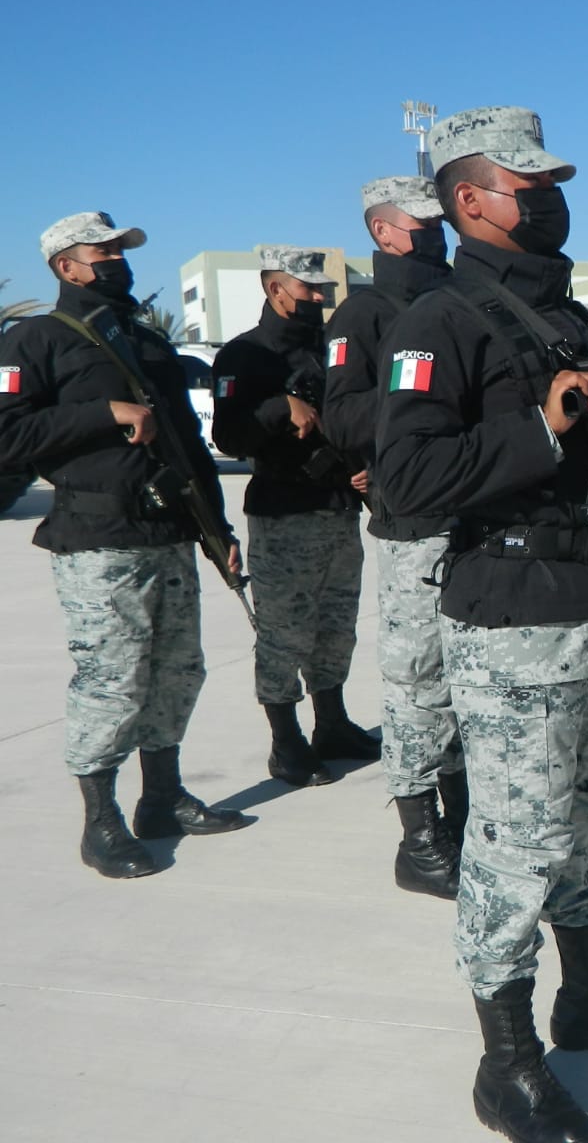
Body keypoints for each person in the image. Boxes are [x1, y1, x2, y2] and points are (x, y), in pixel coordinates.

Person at [374, 105, 588, 1143]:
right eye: (529, 187)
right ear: (469, 200)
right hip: (512, 618)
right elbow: (404, 481)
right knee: (515, 844)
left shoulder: (564, 318)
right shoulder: (440, 321)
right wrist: (539, 428)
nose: (552, 200)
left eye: (555, 183)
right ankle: (505, 1061)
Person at [0, 212, 249, 878]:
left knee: (178, 672)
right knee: (112, 684)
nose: (117, 258)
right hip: (100, 539)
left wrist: (216, 531)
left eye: (120, 249)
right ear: (66, 267)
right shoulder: (36, 340)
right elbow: (6, 437)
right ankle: (100, 819)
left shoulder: (144, 341)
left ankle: (162, 798)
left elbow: (189, 446)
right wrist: (100, 413)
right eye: (102, 250)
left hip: (168, 533)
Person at [321, 177, 462, 898]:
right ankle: (420, 837)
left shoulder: (461, 298)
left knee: (468, 682)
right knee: (417, 685)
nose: (437, 234)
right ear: (384, 232)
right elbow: (340, 420)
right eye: (423, 224)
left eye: (442, 222)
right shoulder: (364, 313)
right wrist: (425, 394)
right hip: (414, 524)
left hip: (475, 511)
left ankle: (463, 815)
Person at [212, 247, 377, 788]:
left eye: (321, 289)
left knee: (336, 628)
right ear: (274, 288)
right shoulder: (244, 356)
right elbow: (228, 437)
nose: (318, 297)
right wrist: (281, 407)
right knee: (285, 635)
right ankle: (286, 744)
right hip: (284, 515)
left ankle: (332, 724)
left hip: (337, 510)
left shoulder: (330, 350)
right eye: (306, 288)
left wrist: (362, 468)